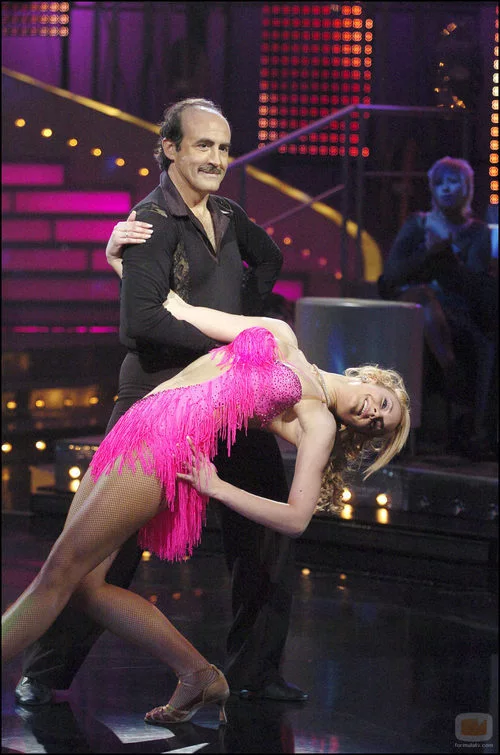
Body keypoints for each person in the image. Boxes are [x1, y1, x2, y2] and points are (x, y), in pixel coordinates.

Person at [2, 294, 411, 727]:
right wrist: (124, 263)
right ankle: (198, 675)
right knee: (84, 586)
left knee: (57, 574)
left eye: (377, 426)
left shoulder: (317, 422)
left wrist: (220, 488)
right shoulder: (284, 335)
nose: (373, 414)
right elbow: (186, 312)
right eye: (383, 404)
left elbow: (296, 518)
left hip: (165, 449)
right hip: (135, 424)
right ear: (375, 379)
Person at [15, 97, 305, 707]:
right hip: (159, 397)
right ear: (170, 148)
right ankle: (45, 674)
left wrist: (244, 315)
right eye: (203, 145)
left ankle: (254, 671)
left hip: (230, 400)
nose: (217, 159)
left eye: (224, 148)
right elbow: (140, 323)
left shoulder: (227, 213)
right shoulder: (149, 222)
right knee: (101, 554)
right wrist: (231, 345)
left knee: (264, 535)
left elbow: (271, 258)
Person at [377, 156, 497, 459]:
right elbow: (391, 275)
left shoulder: (478, 232)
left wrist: (447, 257)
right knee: (421, 298)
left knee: (437, 311)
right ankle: (450, 369)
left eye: (453, 182)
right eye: (440, 182)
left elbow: (474, 286)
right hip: (412, 308)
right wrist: (429, 252)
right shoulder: (417, 224)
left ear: (467, 188)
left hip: (456, 314)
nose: (446, 188)